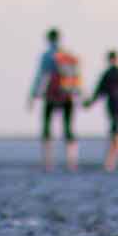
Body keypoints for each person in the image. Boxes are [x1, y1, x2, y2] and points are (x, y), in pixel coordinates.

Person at [29, 29, 82, 171]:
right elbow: (76, 77)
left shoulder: (47, 56)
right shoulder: (68, 54)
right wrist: (79, 94)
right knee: (69, 128)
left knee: (47, 128)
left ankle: (48, 162)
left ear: (48, 39)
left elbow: (41, 76)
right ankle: (72, 162)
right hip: (67, 95)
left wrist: (33, 95)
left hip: (51, 95)